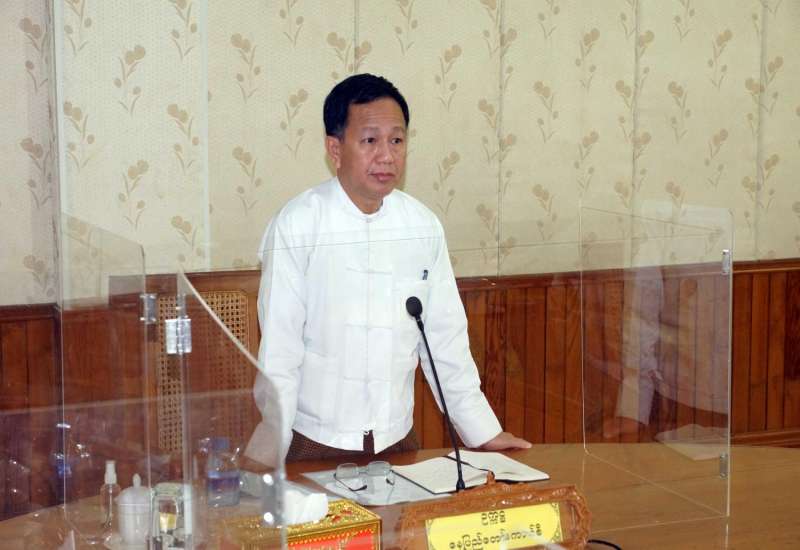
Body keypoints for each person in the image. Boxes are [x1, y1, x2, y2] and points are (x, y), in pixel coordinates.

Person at [245, 73, 530, 465]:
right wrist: (270, 451)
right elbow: (280, 351)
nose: (386, 155)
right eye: (369, 141)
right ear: (335, 148)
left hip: (397, 438)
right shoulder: (297, 224)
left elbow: (445, 339)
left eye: (396, 140)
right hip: (312, 439)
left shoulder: (422, 225)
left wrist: (482, 432)